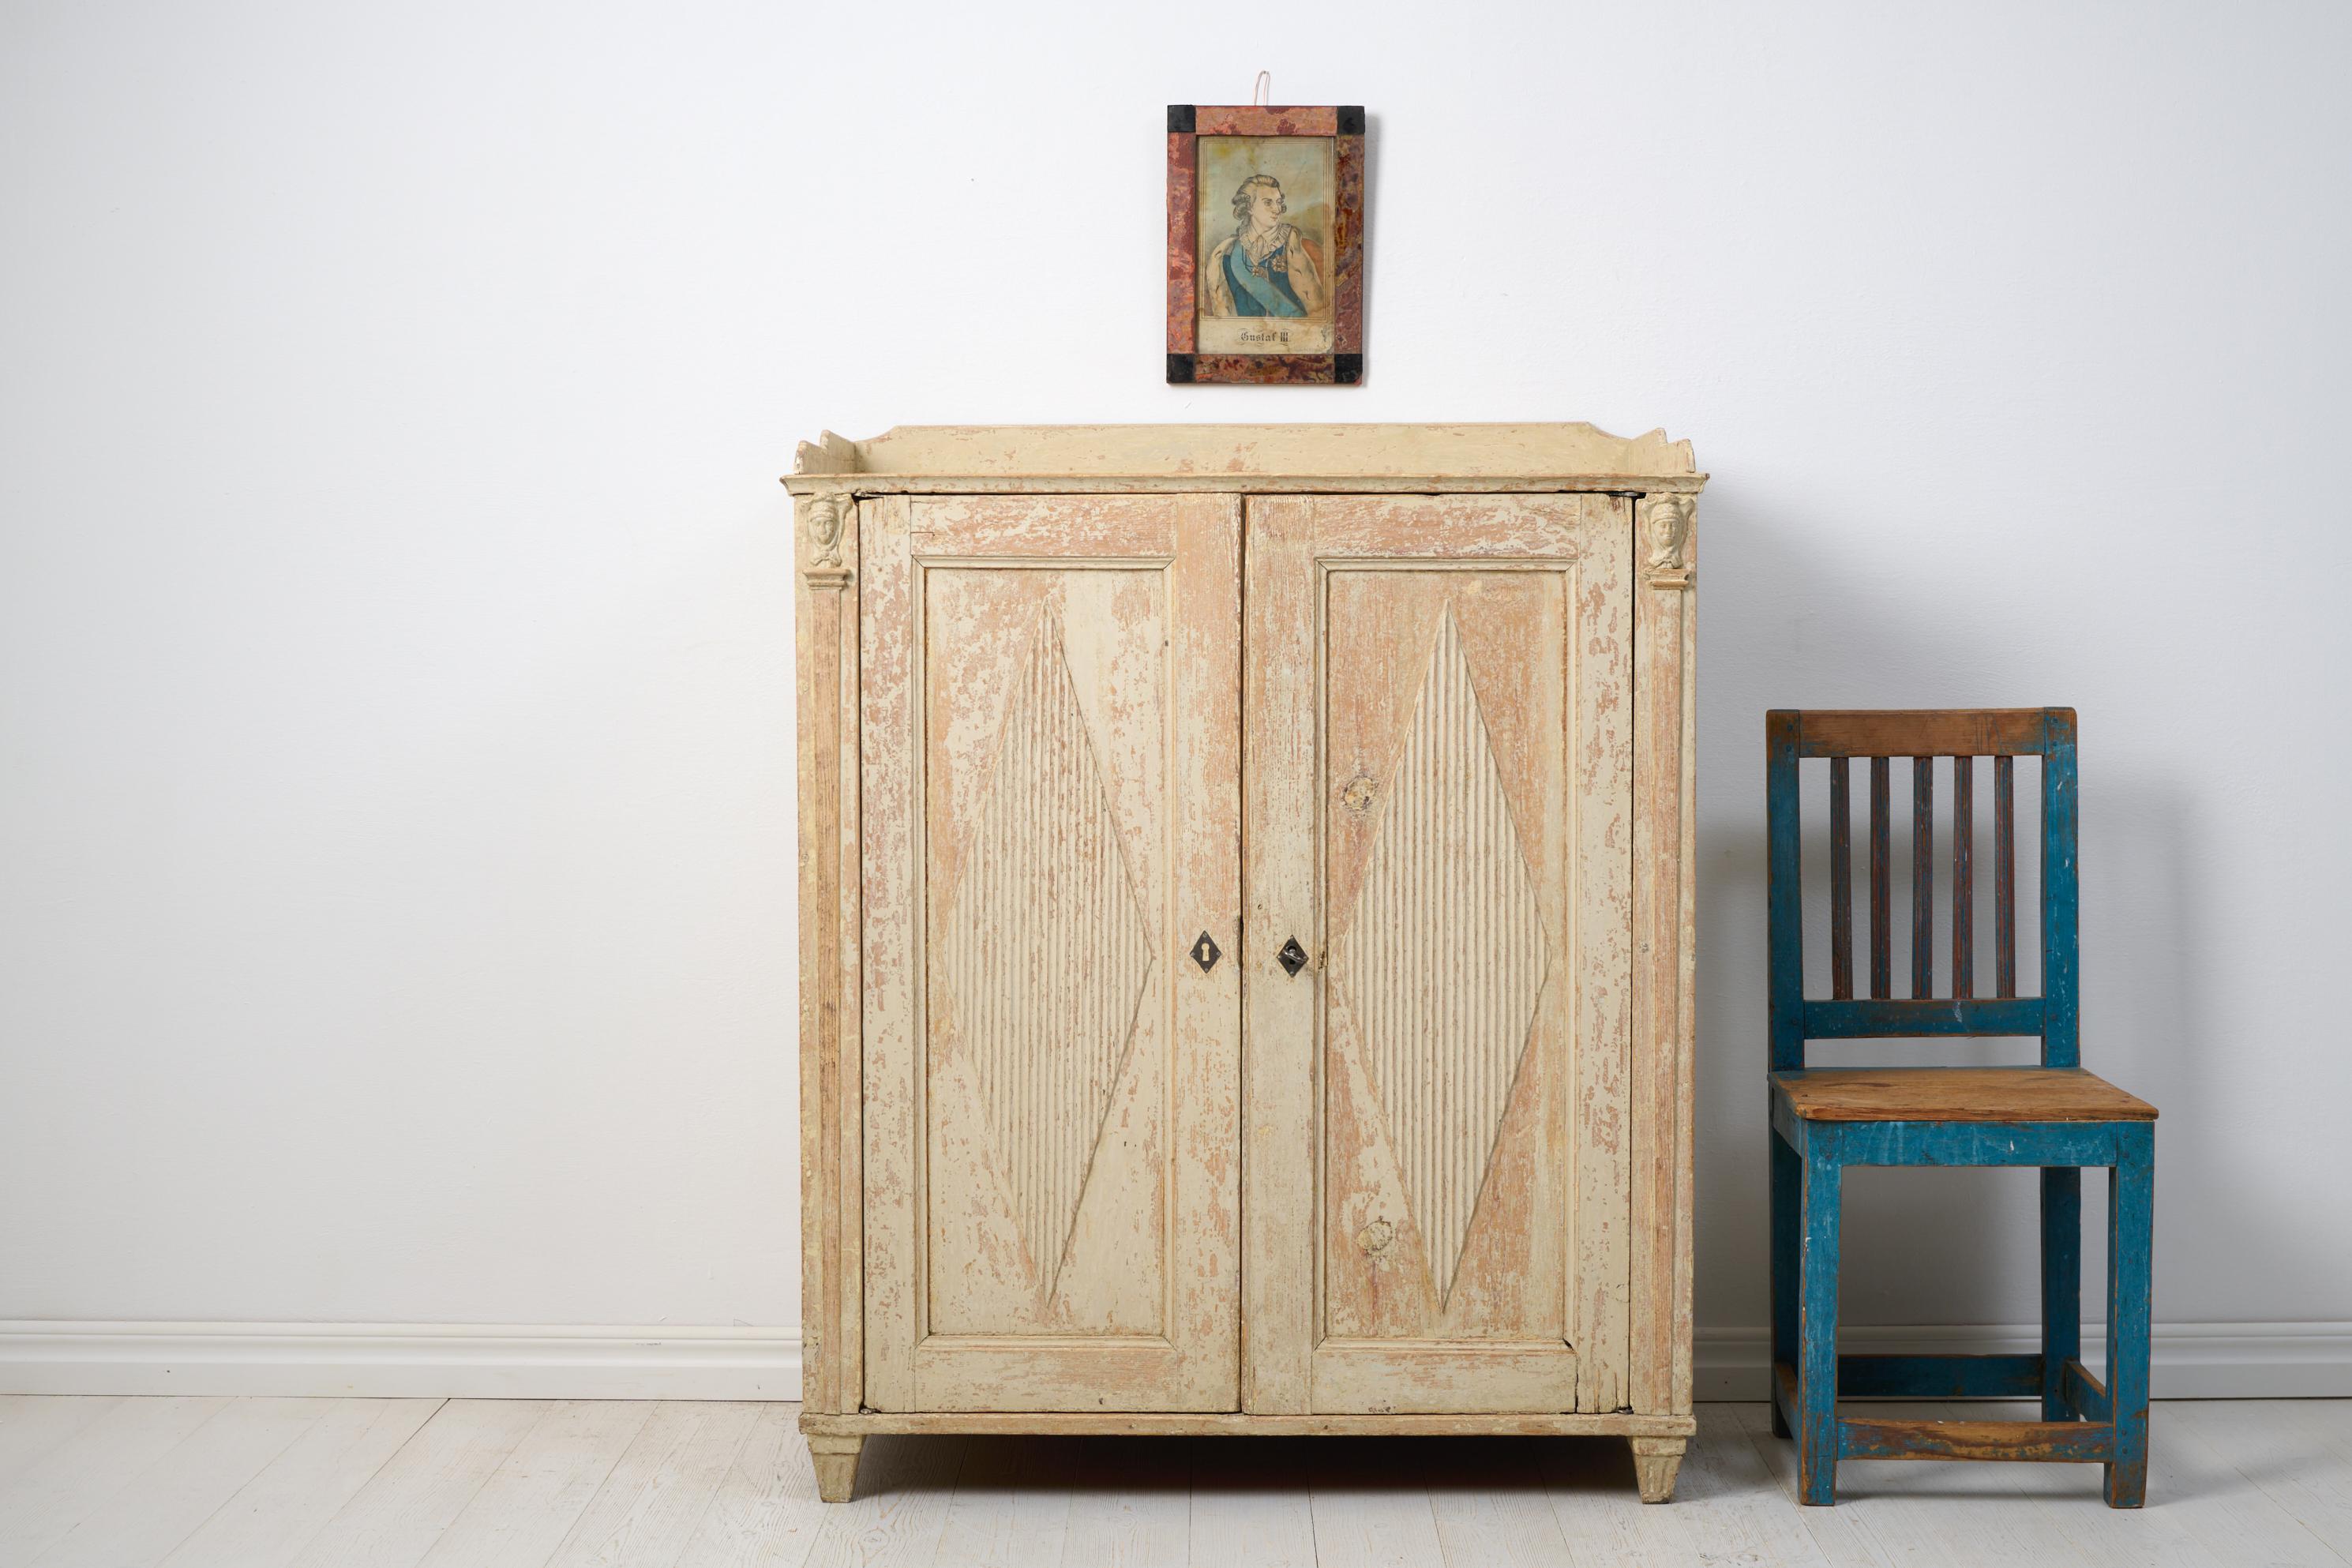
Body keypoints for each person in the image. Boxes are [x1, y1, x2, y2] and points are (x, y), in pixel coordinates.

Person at [1203, 173, 1327, 318]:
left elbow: (1316, 309)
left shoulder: (1294, 245)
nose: (1277, 209)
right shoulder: (1226, 253)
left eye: (1279, 202)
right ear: (1249, 207)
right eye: (1268, 203)